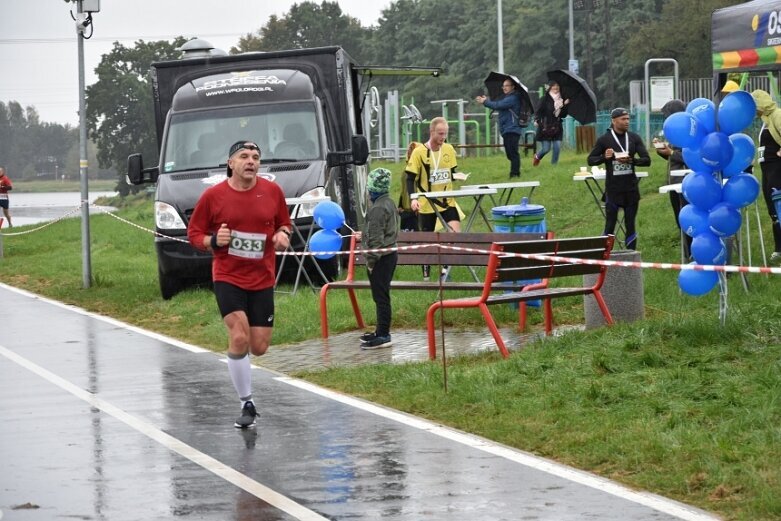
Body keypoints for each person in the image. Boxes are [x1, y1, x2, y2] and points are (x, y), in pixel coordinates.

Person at [187, 140, 292, 429]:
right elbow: (194, 233)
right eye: (243, 156)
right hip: (228, 275)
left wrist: (282, 235)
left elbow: (284, 223)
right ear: (230, 163)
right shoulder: (213, 196)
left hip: (262, 277)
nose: (251, 161)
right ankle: (247, 402)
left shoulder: (272, 192)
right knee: (239, 337)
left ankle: (244, 374)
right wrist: (212, 241)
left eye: (256, 157)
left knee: (259, 347)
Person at [587, 108, 651, 250]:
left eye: (628, 119)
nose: (627, 121)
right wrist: (605, 157)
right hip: (613, 191)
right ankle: (604, 259)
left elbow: (647, 160)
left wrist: (632, 161)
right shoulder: (605, 139)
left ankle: (630, 257)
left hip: (631, 190)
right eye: (623, 119)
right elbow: (590, 160)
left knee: (630, 224)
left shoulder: (634, 138)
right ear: (614, 121)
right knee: (610, 225)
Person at [406, 117, 461, 281]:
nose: (443, 137)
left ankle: (445, 272)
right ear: (432, 132)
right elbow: (410, 178)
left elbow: (451, 173)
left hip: (447, 201)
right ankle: (426, 275)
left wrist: (459, 176)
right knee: (428, 239)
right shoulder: (419, 152)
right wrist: (413, 198)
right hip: (427, 203)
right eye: (440, 133)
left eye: (445, 134)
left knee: (455, 234)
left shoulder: (449, 149)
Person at [354, 168, 399, 350]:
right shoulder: (389, 202)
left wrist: (371, 262)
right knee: (381, 296)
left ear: (372, 189)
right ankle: (380, 330)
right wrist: (363, 234)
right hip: (390, 255)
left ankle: (383, 334)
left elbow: (376, 240)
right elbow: (382, 230)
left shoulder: (377, 209)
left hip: (381, 259)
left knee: (381, 297)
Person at [654, 99, 692, 260]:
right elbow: (674, 159)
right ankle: (687, 253)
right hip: (673, 182)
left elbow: (691, 158)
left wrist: (671, 153)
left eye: (667, 115)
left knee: (687, 219)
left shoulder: (689, 132)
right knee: (679, 220)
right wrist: (662, 151)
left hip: (686, 182)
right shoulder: (674, 132)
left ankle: (692, 254)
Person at [751, 89, 781, 264]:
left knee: (780, 207)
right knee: (773, 211)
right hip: (767, 173)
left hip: (778, 171)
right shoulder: (764, 121)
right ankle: (779, 248)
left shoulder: (777, 115)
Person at [475, 78, 526, 178]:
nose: (504, 88)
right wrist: (487, 101)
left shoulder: (513, 98)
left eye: (507, 86)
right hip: (506, 128)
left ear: (513, 87)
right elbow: (497, 104)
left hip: (512, 128)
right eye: (503, 86)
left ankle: (515, 174)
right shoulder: (507, 97)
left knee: (513, 153)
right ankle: (514, 171)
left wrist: (485, 102)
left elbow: (499, 105)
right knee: (509, 153)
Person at [532, 82, 570, 166]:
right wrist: (536, 120)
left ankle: (554, 165)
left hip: (557, 126)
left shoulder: (562, 99)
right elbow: (538, 111)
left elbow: (563, 115)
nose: (555, 87)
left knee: (557, 146)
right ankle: (537, 156)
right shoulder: (544, 98)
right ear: (550, 87)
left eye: (557, 85)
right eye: (553, 85)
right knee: (546, 149)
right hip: (546, 126)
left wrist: (565, 105)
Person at [398, 141, 420, 232]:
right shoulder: (414, 171)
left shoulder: (406, 170)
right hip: (413, 211)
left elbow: (403, 191)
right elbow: (406, 190)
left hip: (406, 210)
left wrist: (400, 206)